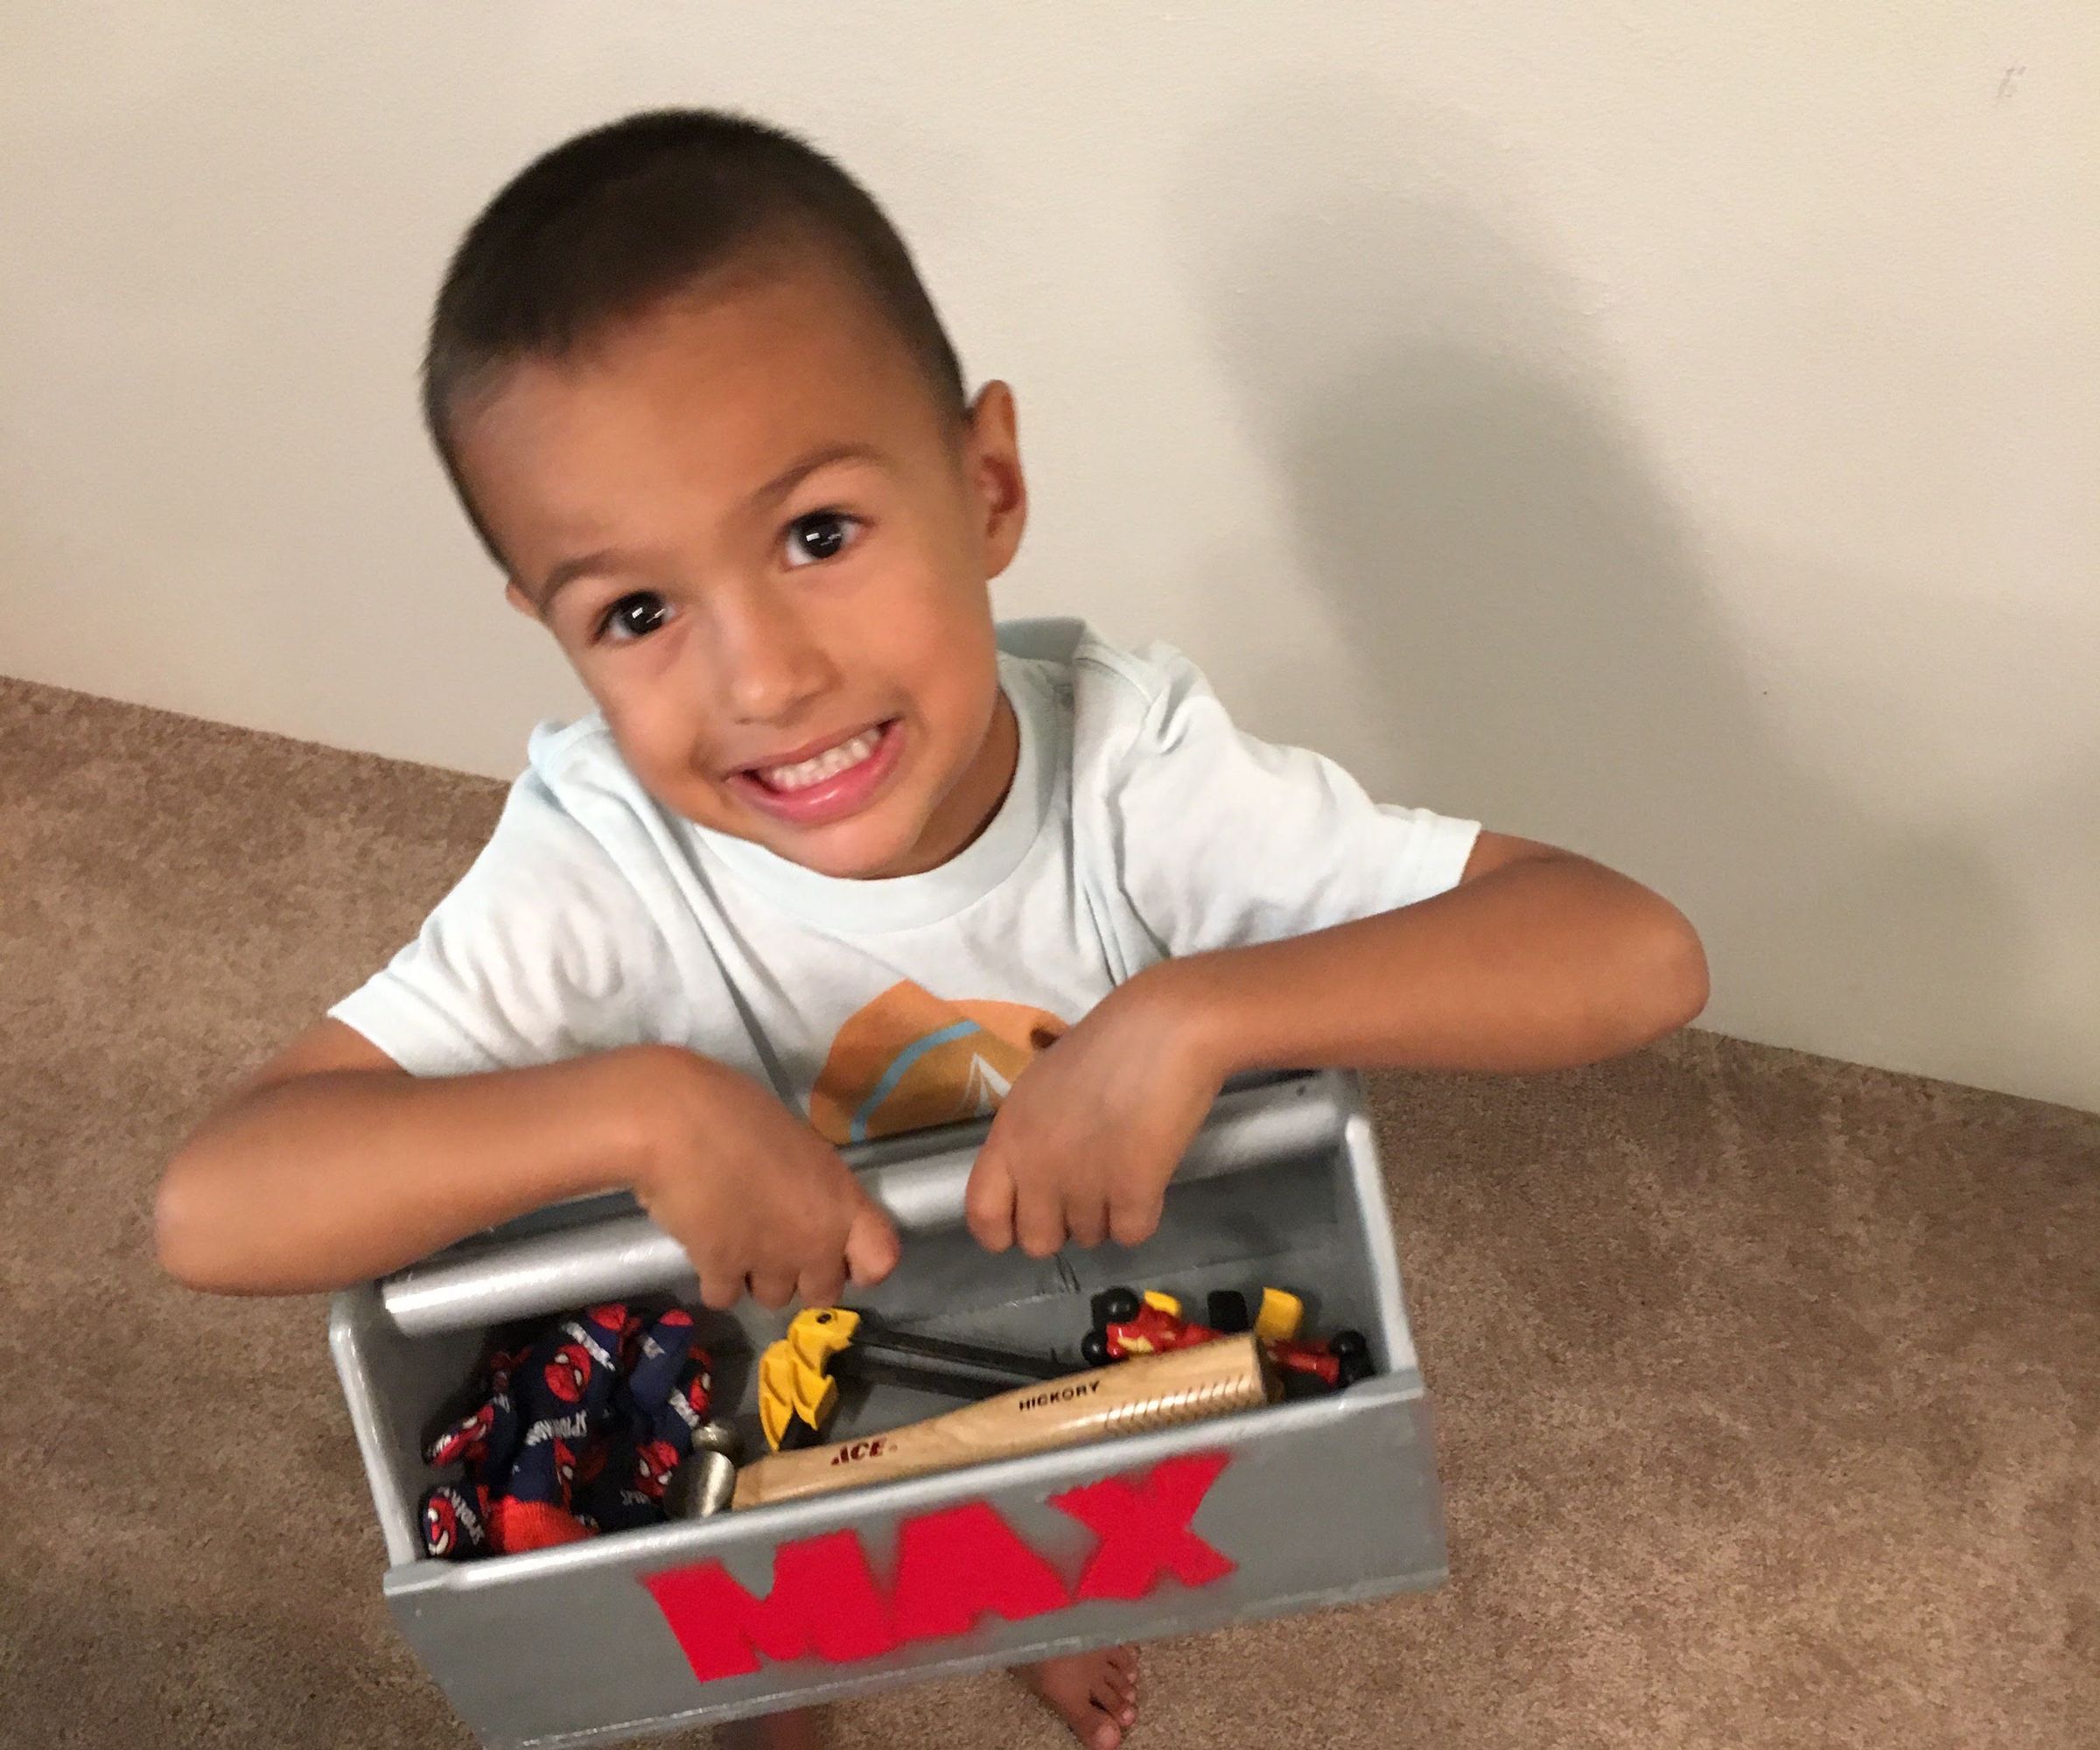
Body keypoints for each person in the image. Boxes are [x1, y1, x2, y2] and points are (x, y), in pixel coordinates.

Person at [155, 108, 1709, 1750]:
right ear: (550, 626)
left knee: (1073, 1517)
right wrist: (643, 1107)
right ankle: (804, 1691)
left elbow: (1628, 953)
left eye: (819, 535)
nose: (763, 680)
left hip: (1091, 1313)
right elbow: (218, 1206)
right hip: (760, 1377)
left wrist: (1194, 1015)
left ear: (987, 489)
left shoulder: (1137, 772)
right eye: (636, 612)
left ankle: (1042, 1611)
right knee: (766, 1645)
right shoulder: (600, 861)